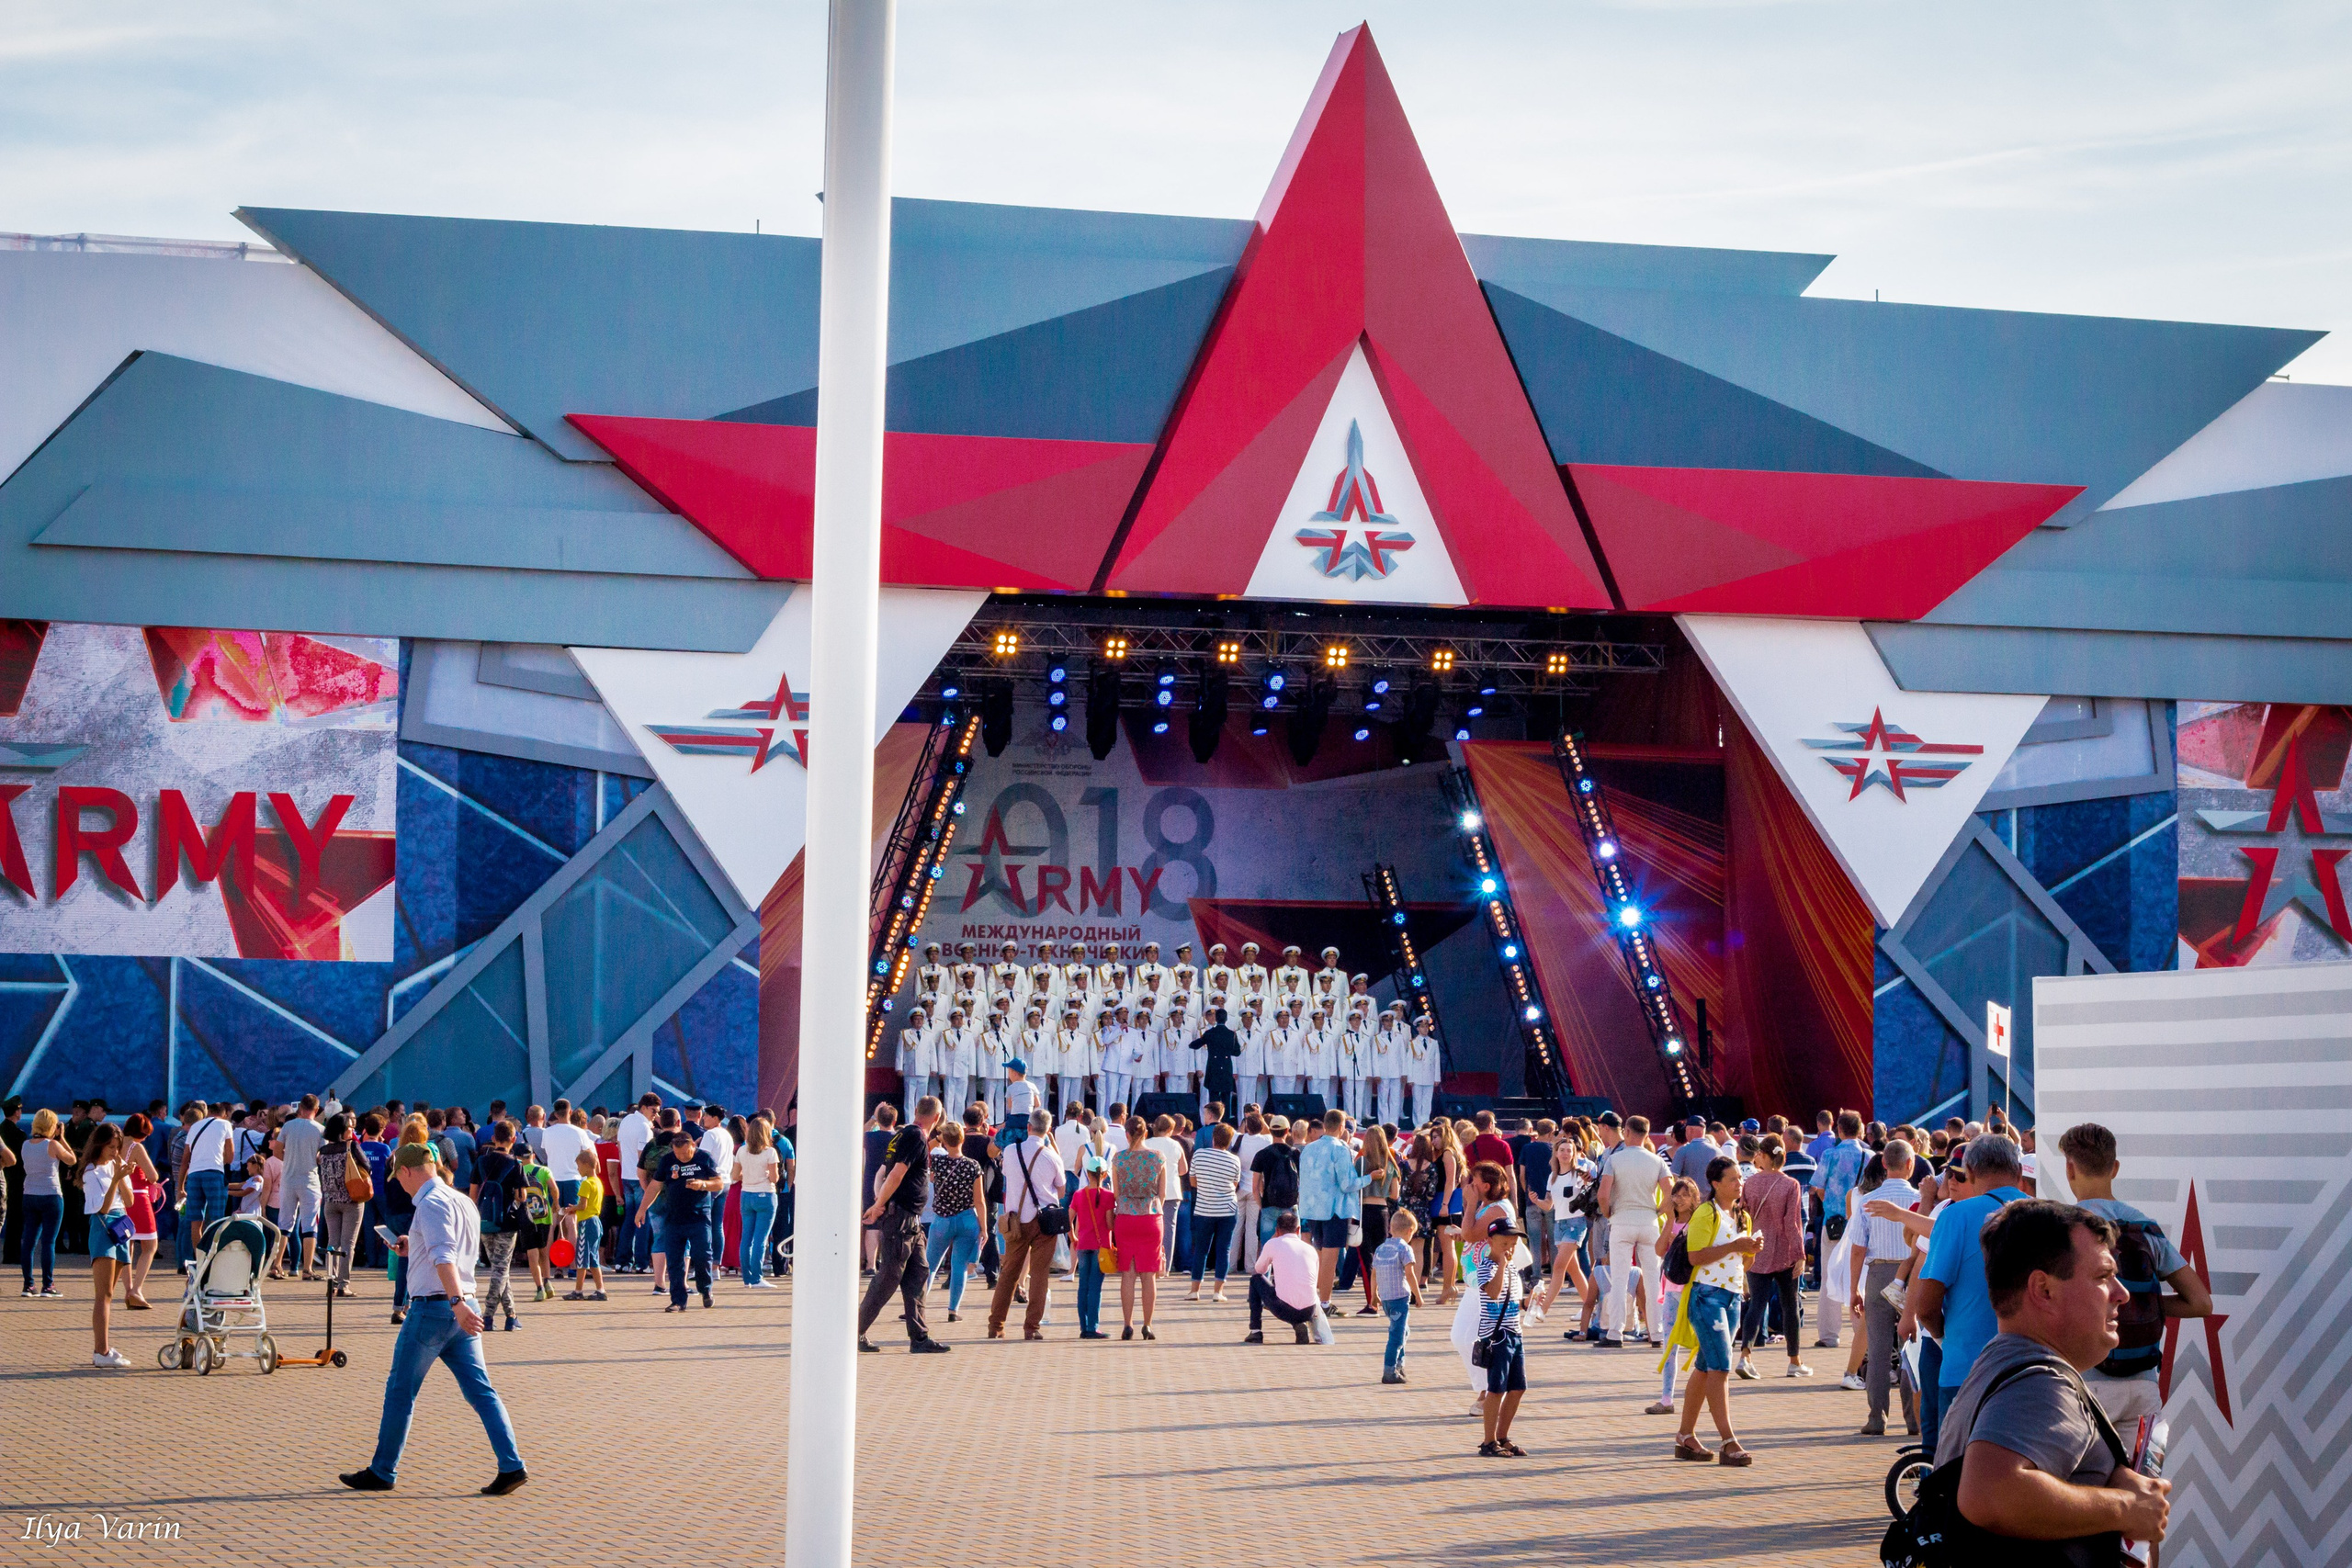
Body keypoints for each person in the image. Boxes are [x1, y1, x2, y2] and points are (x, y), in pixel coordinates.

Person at [1936, 1201, 2168, 1553]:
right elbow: (1987, 1494)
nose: (2122, 1294)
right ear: (2044, 1290)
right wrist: (2126, 1508)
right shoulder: (2041, 1382)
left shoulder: (2002, 1362)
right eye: (2103, 1276)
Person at [339, 1142, 527, 1495]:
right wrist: (412, 1245)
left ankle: (382, 1470)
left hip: (435, 1309)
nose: (399, 1184)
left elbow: (444, 1257)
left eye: (398, 1177)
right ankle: (511, 1464)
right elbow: (453, 1249)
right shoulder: (461, 1200)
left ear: (407, 1171)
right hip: (463, 1308)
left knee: (400, 1391)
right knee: (482, 1392)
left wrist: (455, 1302)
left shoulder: (430, 1203)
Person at [2057, 1122, 2211, 1429]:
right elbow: (2201, 1303)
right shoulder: (2146, 1228)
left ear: (2070, 1169)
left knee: (2080, 1464)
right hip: (2144, 1386)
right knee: (2145, 1464)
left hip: (2087, 1383)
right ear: (2114, 1168)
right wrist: (2142, 1302)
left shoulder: (2064, 1228)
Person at [1915, 1134, 2033, 1441]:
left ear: (1969, 1172)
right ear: (2018, 1171)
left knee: (1956, 1466)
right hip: (2033, 1371)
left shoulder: (1955, 1217)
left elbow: (1925, 1306)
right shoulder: (2048, 1217)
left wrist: (1942, 1337)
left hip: (1966, 1370)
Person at [1662, 1156, 1758, 1465]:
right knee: (1720, 1367)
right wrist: (1735, 1246)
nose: (1739, 1183)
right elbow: (1695, 1257)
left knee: (1706, 1367)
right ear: (1715, 1184)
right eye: (1733, 1179)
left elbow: (1743, 1264)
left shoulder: (1742, 1216)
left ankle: (1685, 1436)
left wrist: (1750, 1252)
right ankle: (1728, 1441)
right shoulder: (1706, 1212)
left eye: (1740, 1178)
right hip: (1706, 1296)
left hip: (1732, 1297)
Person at [859, 1097, 947, 1353]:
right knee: (889, 1277)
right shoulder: (915, 1136)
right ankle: (854, 1330)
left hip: (910, 1221)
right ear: (937, 1118)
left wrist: (879, 1202)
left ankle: (919, 1338)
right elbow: (896, 1174)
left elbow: (884, 1173)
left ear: (916, 1110)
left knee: (918, 1275)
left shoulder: (902, 1135)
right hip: (902, 1220)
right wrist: (879, 1205)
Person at [1847, 1137, 1922, 1435]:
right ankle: (1914, 1420)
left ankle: (1877, 1417)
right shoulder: (1920, 1200)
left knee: (1877, 1349)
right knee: (1910, 1349)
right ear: (1910, 1164)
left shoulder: (1868, 1201)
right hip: (1913, 1273)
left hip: (1878, 1273)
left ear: (1883, 1163)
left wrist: (1854, 1288)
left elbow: (1857, 1250)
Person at [1732, 1134, 1811, 1380]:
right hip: (1784, 1252)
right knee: (1790, 1306)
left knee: (1756, 1304)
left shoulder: (1750, 1184)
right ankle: (1794, 1361)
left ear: (1762, 1156)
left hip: (1757, 1249)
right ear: (1782, 1157)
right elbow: (1792, 1223)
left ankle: (1745, 1356)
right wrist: (1800, 1254)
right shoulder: (1790, 1185)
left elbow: (1742, 1216)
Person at [987, 1109, 1063, 1340]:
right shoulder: (1052, 1156)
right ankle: (1032, 1327)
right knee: (1040, 1275)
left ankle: (996, 1326)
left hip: (1016, 1220)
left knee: (1009, 1273)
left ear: (1029, 1127)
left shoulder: (1011, 1151)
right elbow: (1061, 1190)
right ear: (1048, 1131)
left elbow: (1006, 1174)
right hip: (1045, 1221)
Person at [1598, 1114, 1669, 1347]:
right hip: (1649, 1223)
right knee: (1653, 1281)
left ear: (1626, 1131)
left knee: (1619, 1279)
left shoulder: (1614, 1160)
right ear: (1647, 1134)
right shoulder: (1657, 1161)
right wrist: (1657, 1211)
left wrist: (1609, 1213)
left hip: (1621, 1221)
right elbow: (1670, 1194)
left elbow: (1603, 1195)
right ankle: (1656, 1333)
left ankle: (1615, 1333)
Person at [78, 1122, 145, 1368]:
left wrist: (122, 1176)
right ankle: (101, 1351)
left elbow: (129, 1201)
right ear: (100, 1145)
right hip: (103, 1227)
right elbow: (103, 1208)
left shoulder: (114, 1165)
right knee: (103, 1294)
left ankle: (103, 1348)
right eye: (110, 1147)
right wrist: (116, 1178)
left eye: (117, 1147)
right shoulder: (91, 1172)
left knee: (110, 1294)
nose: (115, 1152)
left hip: (120, 1227)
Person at [639, 1127, 722, 1314]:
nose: (682, 1158)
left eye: (685, 1153)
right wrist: (642, 1209)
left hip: (699, 1217)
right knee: (674, 1261)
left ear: (693, 1145)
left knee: (702, 1256)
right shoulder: (667, 1160)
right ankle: (678, 1301)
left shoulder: (704, 1158)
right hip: (674, 1218)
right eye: (678, 1154)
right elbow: (655, 1186)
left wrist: (703, 1185)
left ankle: (705, 1289)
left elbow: (719, 1183)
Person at [1811, 1110, 1871, 1348]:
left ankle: (1829, 1335)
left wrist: (1831, 1205)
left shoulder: (1830, 1155)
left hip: (1834, 1224)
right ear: (1861, 1129)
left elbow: (1818, 1187)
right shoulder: (1870, 1156)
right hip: (1863, 1223)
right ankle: (1861, 1333)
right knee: (1861, 1278)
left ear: (1840, 1130)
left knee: (1829, 1276)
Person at [922, 1122, 986, 1322]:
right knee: (959, 1266)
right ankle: (953, 1310)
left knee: (930, 1265)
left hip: (942, 1219)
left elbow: (924, 1147)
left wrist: (938, 1139)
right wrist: (984, 1228)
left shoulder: (938, 1162)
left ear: (945, 1140)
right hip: (967, 1219)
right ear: (962, 1139)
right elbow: (979, 1200)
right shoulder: (973, 1166)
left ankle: (917, 1306)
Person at [1108, 1115, 1164, 1340]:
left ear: (1127, 1134)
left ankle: (1127, 1324)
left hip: (1126, 1217)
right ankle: (1148, 1324)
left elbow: (1116, 1194)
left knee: (1128, 1274)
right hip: (1151, 1216)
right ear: (1146, 1133)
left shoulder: (1118, 1159)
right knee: (1149, 1274)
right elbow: (1162, 1194)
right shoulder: (1158, 1157)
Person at [469, 1121, 528, 1331]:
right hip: (507, 1223)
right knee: (501, 1269)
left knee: (499, 1268)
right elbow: (522, 1196)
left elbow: (473, 1195)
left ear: (493, 1139)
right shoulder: (516, 1164)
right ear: (514, 1139)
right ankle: (487, 1316)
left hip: (485, 1221)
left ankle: (512, 1316)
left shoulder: (481, 1162)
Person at [1245, 1210, 1325, 1346]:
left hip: (1284, 1310)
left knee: (1255, 1280)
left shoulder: (1273, 1244)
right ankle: (1299, 1324)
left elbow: (1259, 1270)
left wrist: (1271, 1243)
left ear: (1277, 1230)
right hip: (1309, 1310)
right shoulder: (1310, 1249)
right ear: (1298, 1230)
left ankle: (1255, 1331)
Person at [174, 1100, 233, 1279]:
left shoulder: (195, 1127)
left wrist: (180, 1187)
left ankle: (200, 1261)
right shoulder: (225, 1124)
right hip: (214, 1173)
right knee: (217, 1220)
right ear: (224, 1114)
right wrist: (218, 1159)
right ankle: (215, 1260)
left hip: (194, 1176)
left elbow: (185, 1159)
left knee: (195, 1222)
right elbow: (230, 1156)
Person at [1185, 1122, 1244, 1302]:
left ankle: (1194, 1290)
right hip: (1227, 1209)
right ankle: (1218, 1292)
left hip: (1204, 1209)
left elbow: (1193, 1181)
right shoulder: (1235, 1159)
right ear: (1229, 1141)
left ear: (1213, 1138)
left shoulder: (1199, 1155)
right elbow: (1235, 1184)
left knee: (1201, 1250)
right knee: (1223, 1250)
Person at [17, 1110, 71, 1297]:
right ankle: (47, 1285)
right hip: (51, 1195)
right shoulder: (53, 1144)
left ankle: (28, 1285)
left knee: (29, 1242)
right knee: (48, 1242)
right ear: (52, 1126)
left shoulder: (25, 1145)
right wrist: (62, 1138)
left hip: (29, 1194)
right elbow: (72, 1159)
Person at [271, 1095, 325, 1280]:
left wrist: (289, 1161)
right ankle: (307, 1268)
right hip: (309, 1180)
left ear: (300, 1108)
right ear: (316, 1110)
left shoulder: (288, 1126)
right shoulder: (320, 1130)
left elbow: (276, 1151)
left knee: (285, 1223)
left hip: (288, 1179)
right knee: (310, 1225)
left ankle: (277, 1264)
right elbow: (322, 1157)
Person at [1374, 1209, 1423, 1383]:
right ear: (1410, 1231)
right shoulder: (1405, 1248)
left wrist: (1374, 1295)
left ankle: (1399, 1365)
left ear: (1390, 1228)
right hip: (1400, 1298)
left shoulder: (1380, 1249)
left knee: (1402, 1330)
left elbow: (1374, 1273)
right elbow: (1410, 1274)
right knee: (1396, 1336)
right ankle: (1389, 1371)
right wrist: (1418, 1295)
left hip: (1386, 1298)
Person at [734, 1119, 784, 1290]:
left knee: (746, 1238)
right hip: (765, 1195)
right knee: (760, 1240)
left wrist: (750, 1175)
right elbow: (774, 1178)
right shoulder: (770, 1152)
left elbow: (735, 1175)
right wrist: (764, 1175)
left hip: (746, 1194)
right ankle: (757, 1278)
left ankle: (747, 1278)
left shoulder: (742, 1150)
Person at [1070, 1156, 1115, 1339]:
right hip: (1101, 1246)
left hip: (1083, 1244)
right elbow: (1110, 1224)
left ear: (1087, 1174)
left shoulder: (1078, 1195)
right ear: (1104, 1175)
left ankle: (1084, 1327)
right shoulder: (1108, 1196)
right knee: (1095, 1287)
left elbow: (1068, 1218)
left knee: (1083, 1286)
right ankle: (1093, 1326)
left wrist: (1073, 1237)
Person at [561, 1151, 606, 1303]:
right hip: (596, 1221)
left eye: (579, 1165)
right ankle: (600, 1290)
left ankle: (578, 1291)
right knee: (593, 1258)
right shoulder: (598, 1182)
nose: (578, 1169)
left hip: (586, 1222)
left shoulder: (586, 1183)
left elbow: (583, 1205)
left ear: (587, 1165)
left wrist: (572, 1209)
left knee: (581, 1258)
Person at [1193, 1006, 1242, 1120]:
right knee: (1205, 1098)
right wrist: (1198, 1068)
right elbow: (1198, 1052)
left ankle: (1218, 1121)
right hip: (1206, 1067)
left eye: (1214, 1015)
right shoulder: (1203, 1031)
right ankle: (1204, 1121)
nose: (1212, 1018)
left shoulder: (1215, 1033)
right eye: (1209, 1015)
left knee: (1217, 1098)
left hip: (1215, 1068)